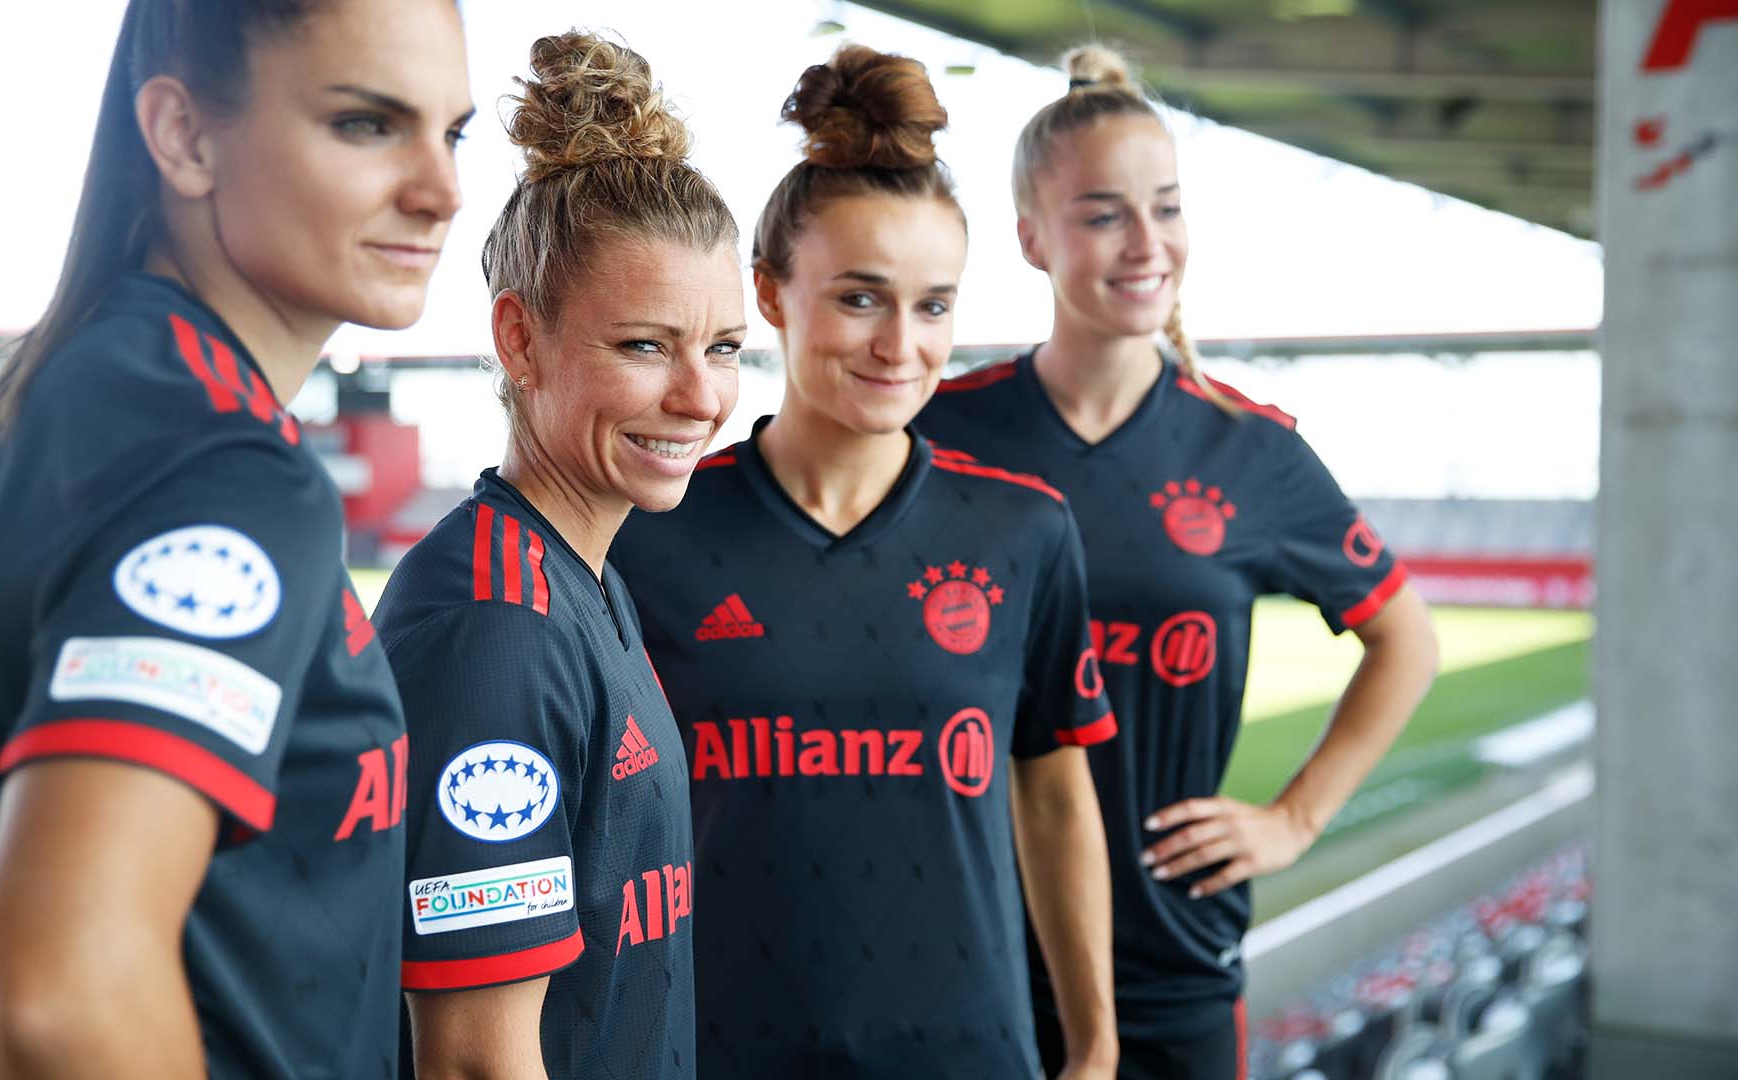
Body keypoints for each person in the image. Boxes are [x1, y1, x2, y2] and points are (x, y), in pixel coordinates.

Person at [0, 1, 471, 1076]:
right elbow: (65, 995)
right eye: (366, 123)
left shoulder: (92, 392)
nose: (441, 189)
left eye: (453, 132)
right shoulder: (221, 465)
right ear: (183, 136)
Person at [915, 44, 1441, 1079]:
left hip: (1173, 963)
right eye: (1104, 213)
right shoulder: (939, 435)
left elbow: (1406, 642)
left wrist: (1294, 818)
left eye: (1167, 207)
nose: (1146, 242)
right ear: (1030, 236)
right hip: (965, 953)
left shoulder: (1252, 451)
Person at [609, 43, 1120, 1080]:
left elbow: (1058, 799)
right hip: (714, 1056)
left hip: (971, 1057)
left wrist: (1098, 1046)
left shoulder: (1024, 533)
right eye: (859, 297)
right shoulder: (647, 535)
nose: (902, 344)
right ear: (769, 290)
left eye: (933, 305)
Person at [370, 31, 743, 1080]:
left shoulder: (581, 577)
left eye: (722, 347)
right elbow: (474, 1063)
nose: (701, 397)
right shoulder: (498, 633)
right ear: (520, 340)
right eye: (644, 345)